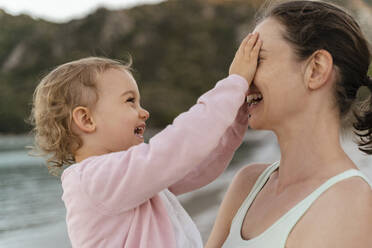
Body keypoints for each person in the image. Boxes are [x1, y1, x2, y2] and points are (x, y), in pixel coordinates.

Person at [30, 33, 262, 247]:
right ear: (86, 119)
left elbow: (194, 167)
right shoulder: (93, 179)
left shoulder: (131, 179)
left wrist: (235, 116)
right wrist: (234, 83)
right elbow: (179, 146)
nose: (144, 112)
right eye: (130, 101)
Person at [206, 1, 372, 247]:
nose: (241, 77)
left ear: (315, 69)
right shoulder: (247, 183)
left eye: (257, 59)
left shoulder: (350, 202)